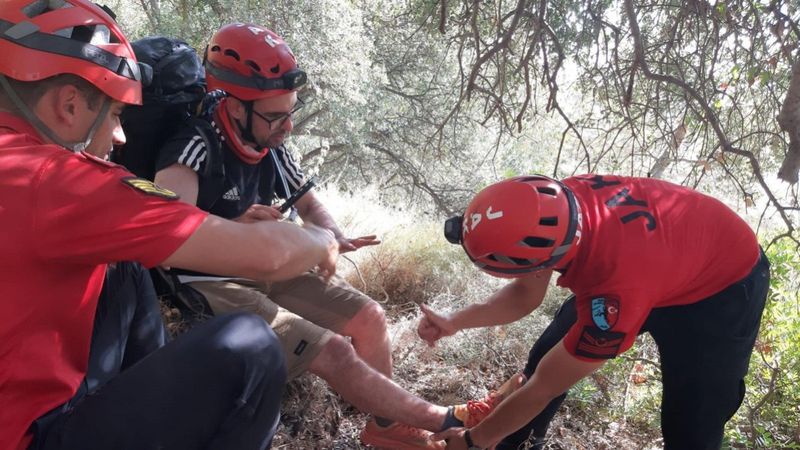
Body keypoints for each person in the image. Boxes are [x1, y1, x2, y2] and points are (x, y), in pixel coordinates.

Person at [0, 1, 343, 449]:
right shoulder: (60, 181)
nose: (121, 137)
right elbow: (269, 255)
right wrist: (321, 239)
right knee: (252, 345)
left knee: (124, 266)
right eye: (117, 114)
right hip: (30, 434)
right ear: (68, 105)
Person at [146, 22, 455, 449]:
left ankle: (385, 429)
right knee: (335, 352)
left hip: (266, 264)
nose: (287, 127)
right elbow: (164, 239)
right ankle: (446, 421)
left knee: (371, 318)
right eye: (275, 115)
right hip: (207, 279)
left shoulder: (269, 145)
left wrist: (334, 235)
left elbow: (308, 201)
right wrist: (235, 228)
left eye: (291, 111)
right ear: (236, 108)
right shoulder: (193, 146)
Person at [419, 174, 770, 450]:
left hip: (722, 290)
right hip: (657, 262)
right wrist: (455, 321)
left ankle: (494, 438)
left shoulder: (615, 292)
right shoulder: (554, 203)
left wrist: (471, 440)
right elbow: (525, 295)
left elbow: (545, 386)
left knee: (693, 423)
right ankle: (517, 443)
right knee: (545, 353)